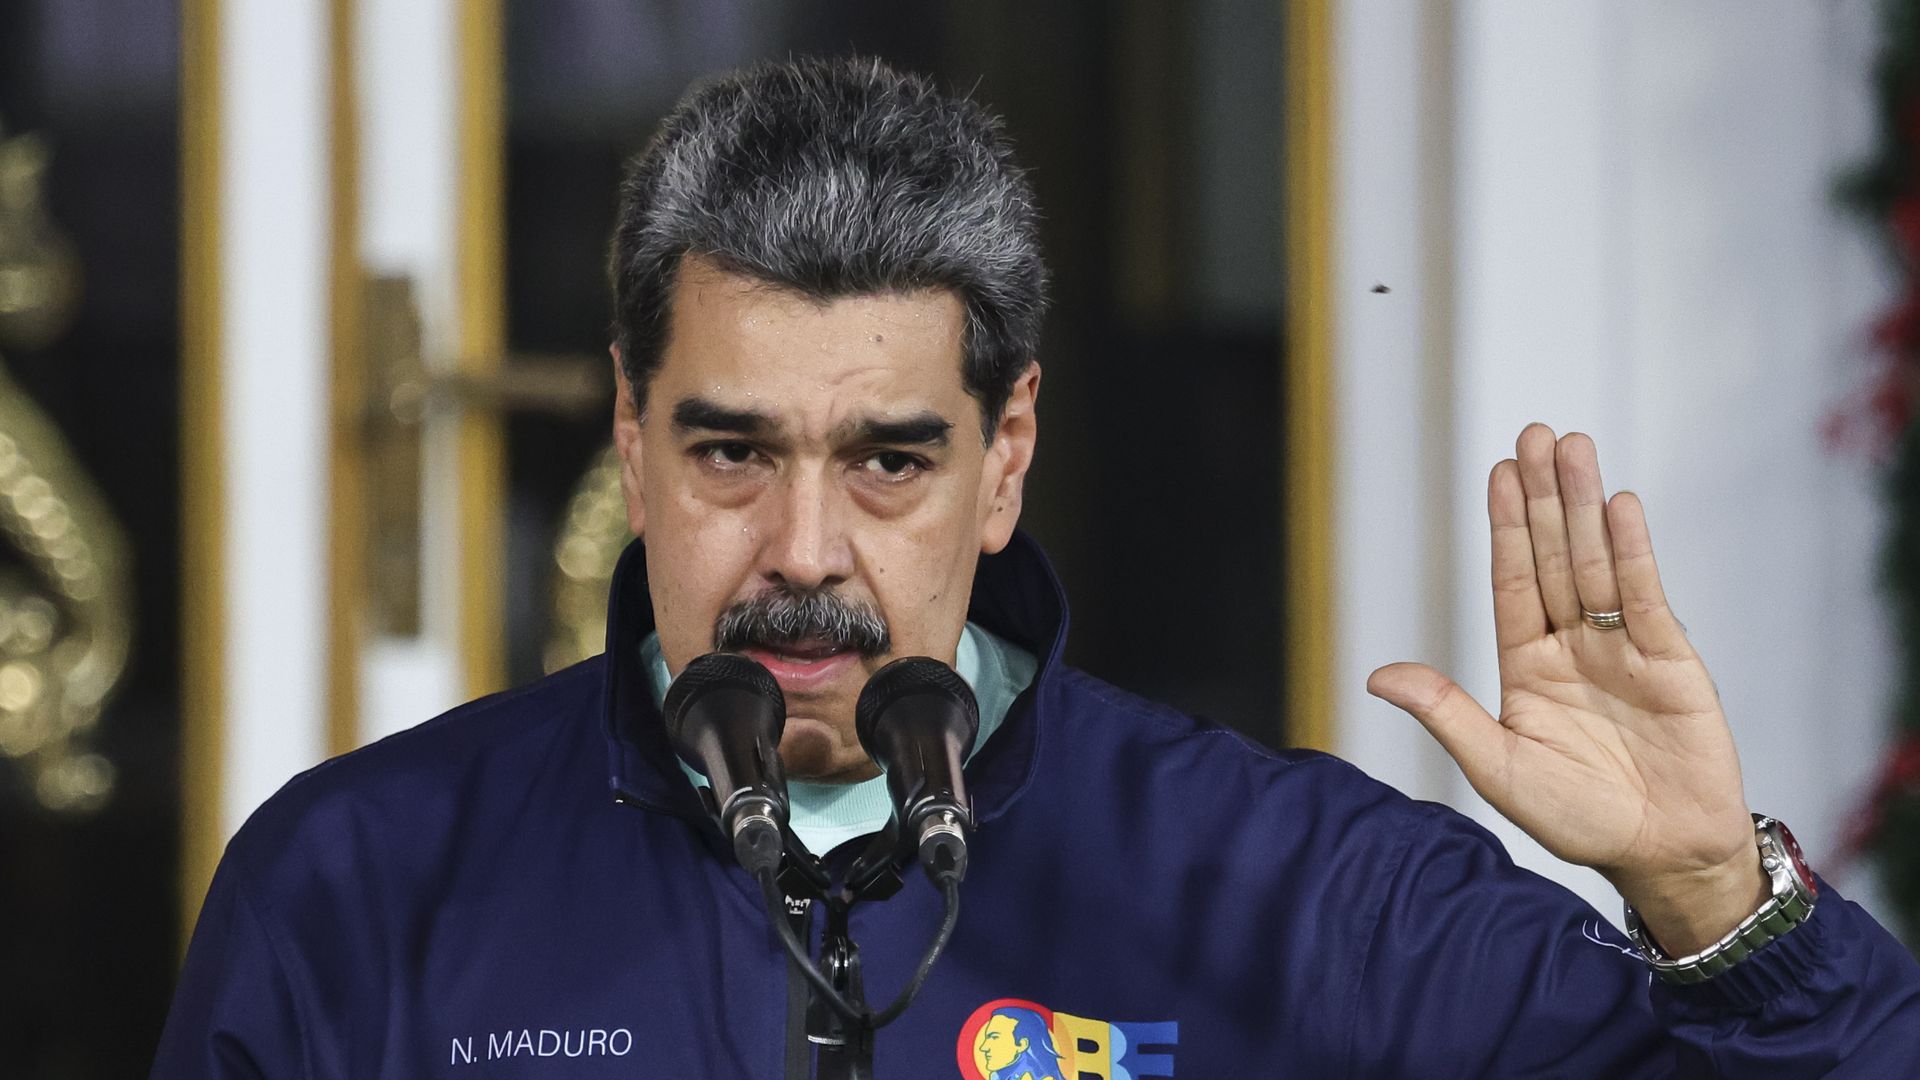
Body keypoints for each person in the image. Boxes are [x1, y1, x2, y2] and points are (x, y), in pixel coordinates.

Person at [152, 56, 1920, 1078]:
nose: (803, 553)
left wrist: (1716, 907)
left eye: (891, 458)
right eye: (730, 451)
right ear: (627, 434)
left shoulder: (1286, 884)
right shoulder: (363, 880)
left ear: (1005, 458)